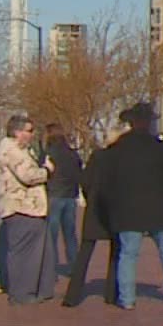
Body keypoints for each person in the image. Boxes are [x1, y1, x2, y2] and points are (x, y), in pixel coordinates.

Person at [102, 102, 163, 309]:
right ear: (149, 122)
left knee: (128, 254)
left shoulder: (117, 150)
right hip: (157, 206)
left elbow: (106, 182)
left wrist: (115, 203)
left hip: (127, 209)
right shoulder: (161, 148)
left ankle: (127, 299)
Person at [0, 115, 60, 306]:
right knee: (24, 254)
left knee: (39, 253)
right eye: (29, 131)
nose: (32, 135)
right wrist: (47, 171)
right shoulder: (12, 151)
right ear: (17, 132)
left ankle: (39, 289)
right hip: (21, 208)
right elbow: (27, 176)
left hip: (31, 208)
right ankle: (21, 293)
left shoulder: (23, 151)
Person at [62, 127, 125, 308]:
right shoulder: (120, 159)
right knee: (116, 253)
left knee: (85, 252)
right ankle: (111, 294)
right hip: (115, 209)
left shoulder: (97, 156)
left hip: (95, 209)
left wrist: (91, 197)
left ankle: (72, 295)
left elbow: (85, 180)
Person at [44, 124, 83, 275]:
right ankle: (74, 265)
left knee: (51, 234)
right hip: (70, 195)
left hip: (54, 194)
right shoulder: (73, 154)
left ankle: (51, 267)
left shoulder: (49, 153)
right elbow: (79, 173)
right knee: (70, 233)